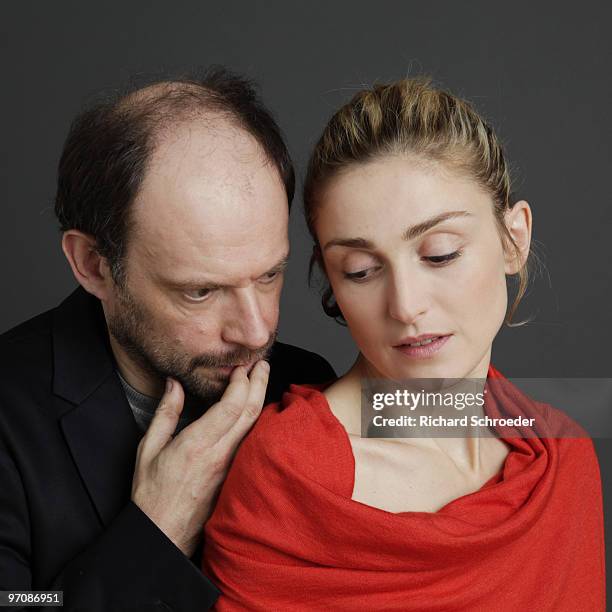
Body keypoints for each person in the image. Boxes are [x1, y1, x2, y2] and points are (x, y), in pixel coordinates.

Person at [203, 78, 606, 610]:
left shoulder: (561, 460)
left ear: (515, 239)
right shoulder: (290, 475)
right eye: (361, 271)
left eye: (439, 254)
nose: (405, 306)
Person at [0, 68, 335, 611]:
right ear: (94, 266)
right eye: (201, 291)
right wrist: (157, 531)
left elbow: (476, 414)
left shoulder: (303, 379)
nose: (256, 331)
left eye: (270, 275)